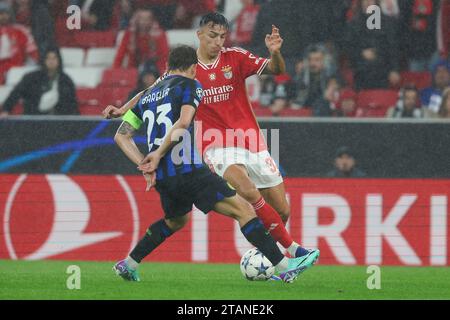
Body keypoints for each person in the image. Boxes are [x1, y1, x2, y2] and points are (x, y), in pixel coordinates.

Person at [103, 13, 318, 261]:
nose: (218, 42)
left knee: (281, 210)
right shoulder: (187, 69)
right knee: (248, 192)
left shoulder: (235, 57)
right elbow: (150, 91)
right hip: (215, 144)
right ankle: (293, 252)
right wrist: (122, 109)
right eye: (213, 36)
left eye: (222, 37)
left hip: (251, 141)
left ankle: (267, 259)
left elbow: (276, 69)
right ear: (200, 34)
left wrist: (275, 52)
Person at [0, 46, 78, 117]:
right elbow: (15, 94)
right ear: (43, 60)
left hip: (58, 123)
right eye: (48, 58)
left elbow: (72, 104)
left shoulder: (66, 80)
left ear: (59, 60)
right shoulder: (30, 78)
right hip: (33, 121)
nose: (51, 61)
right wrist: (6, 110)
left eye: (54, 58)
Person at [113, 8, 169, 75]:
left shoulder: (160, 34)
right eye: (141, 19)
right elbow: (120, 55)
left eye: (147, 19)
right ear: (136, 20)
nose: (144, 22)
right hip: (133, 71)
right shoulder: (129, 34)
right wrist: (114, 72)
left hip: (154, 71)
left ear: (152, 20)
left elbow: (164, 57)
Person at [0, 1, 39, 83]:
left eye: (6, 13)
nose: (3, 16)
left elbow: (32, 52)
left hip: (16, 70)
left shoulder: (20, 30)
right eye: (1, 14)